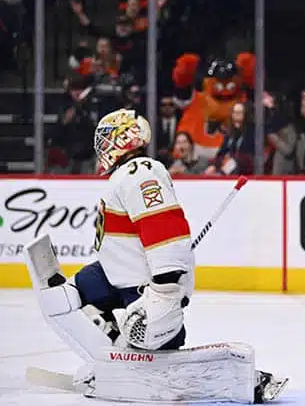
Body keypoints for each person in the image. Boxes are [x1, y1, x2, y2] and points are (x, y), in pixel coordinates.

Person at [24, 108, 287, 403]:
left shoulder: (140, 172)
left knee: (153, 346)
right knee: (57, 299)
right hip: (116, 275)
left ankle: (233, 378)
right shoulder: (129, 174)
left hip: (142, 286)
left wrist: (164, 289)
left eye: (105, 139)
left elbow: (163, 227)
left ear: (120, 139)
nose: (100, 147)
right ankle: (114, 355)